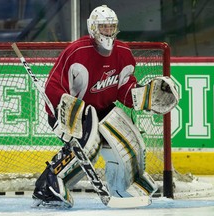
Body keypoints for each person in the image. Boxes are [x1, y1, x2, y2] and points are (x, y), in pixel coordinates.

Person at [32, 5, 179, 208]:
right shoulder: (76, 52)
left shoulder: (123, 53)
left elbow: (123, 89)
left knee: (131, 141)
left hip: (102, 109)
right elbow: (53, 87)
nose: (108, 31)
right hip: (72, 111)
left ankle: (125, 185)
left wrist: (144, 96)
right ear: (93, 28)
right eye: (103, 27)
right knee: (89, 146)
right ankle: (48, 184)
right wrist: (61, 117)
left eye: (111, 27)